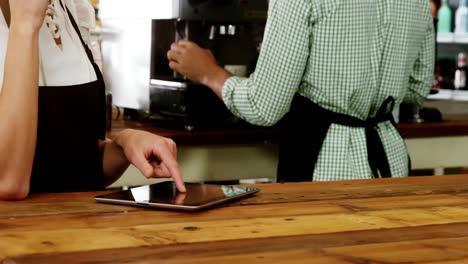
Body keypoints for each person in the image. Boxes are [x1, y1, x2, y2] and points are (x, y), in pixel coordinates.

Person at [168, 0, 435, 182]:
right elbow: (417, 87)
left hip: (325, 168)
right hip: (391, 160)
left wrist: (209, 73)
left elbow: (265, 106)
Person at [0, 0, 186, 200]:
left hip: (82, 224)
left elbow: (77, 162)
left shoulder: (71, 8)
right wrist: (25, 23)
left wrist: (124, 145)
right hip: (17, 229)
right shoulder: (25, 19)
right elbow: (8, 183)